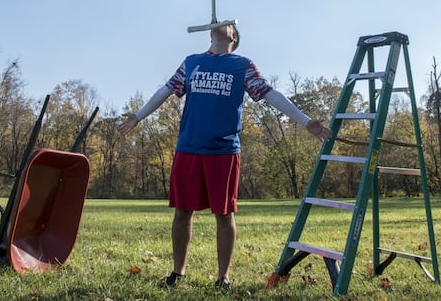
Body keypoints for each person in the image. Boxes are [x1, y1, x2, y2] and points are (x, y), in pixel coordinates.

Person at [117, 23, 332, 292]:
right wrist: (138, 116)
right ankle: (177, 272)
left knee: (224, 214)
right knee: (182, 213)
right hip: (189, 148)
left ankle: (223, 277)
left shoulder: (243, 65)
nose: (223, 24)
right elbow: (166, 89)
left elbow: (270, 94)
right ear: (209, 32)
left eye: (229, 24)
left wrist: (304, 121)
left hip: (224, 151)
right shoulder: (192, 62)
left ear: (233, 36)